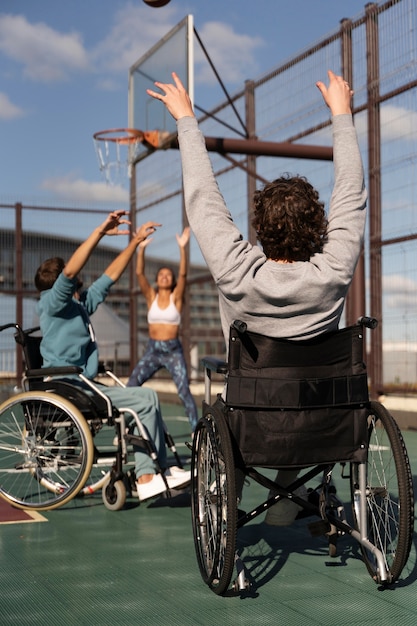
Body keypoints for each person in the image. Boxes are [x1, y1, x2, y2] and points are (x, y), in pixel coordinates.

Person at [146, 70, 367, 524]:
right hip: (325, 421)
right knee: (298, 391)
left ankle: (247, 502)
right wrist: (342, 115)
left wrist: (187, 119)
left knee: (243, 400)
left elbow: (203, 200)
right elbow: (351, 193)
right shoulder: (335, 269)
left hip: (253, 423)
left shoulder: (236, 270)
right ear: (319, 231)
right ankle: (290, 491)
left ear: (260, 231)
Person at [34, 210, 191, 502]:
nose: (76, 275)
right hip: (68, 386)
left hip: (81, 384)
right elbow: (69, 274)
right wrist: (100, 232)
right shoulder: (54, 303)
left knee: (147, 398)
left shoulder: (76, 306)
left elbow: (109, 277)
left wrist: (134, 243)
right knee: (144, 400)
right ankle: (146, 476)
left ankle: (156, 469)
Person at [127, 226, 198, 432]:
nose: (165, 277)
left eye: (168, 275)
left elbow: (183, 273)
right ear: (157, 280)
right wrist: (141, 249)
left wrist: (183, 248)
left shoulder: (177, 297)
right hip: (153, 350)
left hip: (172, 351)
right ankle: (126, 429)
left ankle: (197, 433)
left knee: (184, 391)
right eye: (161, 275)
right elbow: (139, 272)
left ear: (172, 280)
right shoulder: (152, 297)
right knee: (131, 386)